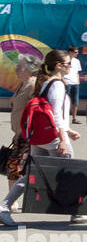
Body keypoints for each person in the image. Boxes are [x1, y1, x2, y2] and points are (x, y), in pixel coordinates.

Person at [2, 50, 87, 228]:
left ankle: (4, 207)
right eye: (68, 63)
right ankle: (78, 212)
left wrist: (68, 129)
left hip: (40, 137)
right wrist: (63, 139)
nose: (70, 66)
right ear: (58, 66)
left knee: (33, 174)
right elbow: (55, 115)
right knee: (69, 172)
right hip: (53, 138)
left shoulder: (45, 83)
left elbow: (50, 114)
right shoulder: (56, 84)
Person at [2, 55, 40, 206]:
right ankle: (12, 202)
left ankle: (10, 203)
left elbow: (36, 111)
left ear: (31, 69)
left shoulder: (33, 85)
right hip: (18, 134)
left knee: (14, 168)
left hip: (27, 136)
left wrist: (24, 132)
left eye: (21, 66)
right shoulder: (22, 84)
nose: (17, 68)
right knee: (14, 168)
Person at [64, 45, 82, 124]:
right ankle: (64, 118)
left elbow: (77, 72)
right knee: (65, 101)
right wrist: (63, 81)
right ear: (70, 52)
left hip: (75, 83)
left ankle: (74, 118)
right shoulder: (64, 60)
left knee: (75, 101)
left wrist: (78, 82)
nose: (77, 53)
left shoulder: (77, 61)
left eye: (77, 52)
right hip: (66, 82)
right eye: (75, 52)